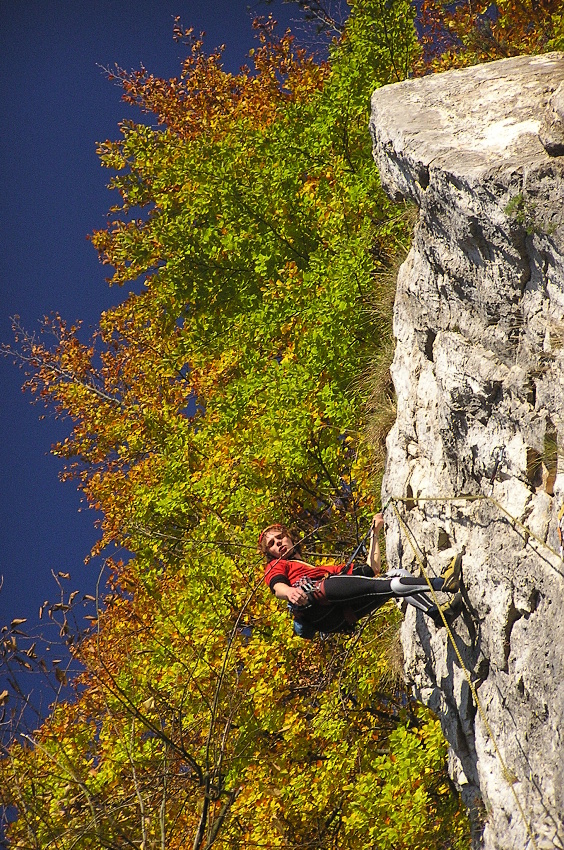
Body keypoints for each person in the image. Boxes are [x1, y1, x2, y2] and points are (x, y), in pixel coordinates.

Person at [258, 515, 463, 637]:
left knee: (394, 576)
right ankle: (443, 583)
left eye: (280, 537)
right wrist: (290, 592)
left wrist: (375, 533)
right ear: (270, 553)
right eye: (271, 544)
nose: (278, 543)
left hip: (338, 616)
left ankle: (437, 613)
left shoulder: (322, 569)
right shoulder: (276, 565)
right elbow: (277, 586)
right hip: (316, 597)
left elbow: (371, 569)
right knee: (384, 585)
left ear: (290, 537)